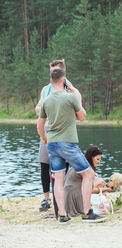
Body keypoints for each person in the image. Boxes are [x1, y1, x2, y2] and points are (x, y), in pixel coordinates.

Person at [37, 68, 105, 224]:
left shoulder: (46, 101)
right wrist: (76, 93)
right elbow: (82, 117)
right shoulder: (71, 97)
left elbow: (39, 126)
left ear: (50, 82)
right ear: (64, 80)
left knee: (58, 180)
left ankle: (62, 215)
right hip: (67, 144)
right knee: (88, 175)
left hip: (52, 145)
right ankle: (87, 213)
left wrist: (45, 139)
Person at [35, 59, 73, 212]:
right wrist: (46, 109)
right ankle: (46, 199)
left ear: (63, 72)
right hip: (47, 129)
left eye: (56, 70)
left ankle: (64, 198)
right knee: (44, 164)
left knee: (65, 166)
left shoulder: (69, 88)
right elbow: (38, 108)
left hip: (64, 131)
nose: (53, 73)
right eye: (51, 71)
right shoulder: (46, 89)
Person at [64, 146, 113, 216]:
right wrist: (105, 189)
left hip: (69, 191)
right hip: (73, 193)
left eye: (100, 159)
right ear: (91, 158)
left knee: (99, 181)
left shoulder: (83, 163)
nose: (99, 162)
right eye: (97, 159)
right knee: (100, 181)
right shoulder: (87, 168)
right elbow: (90, 190)